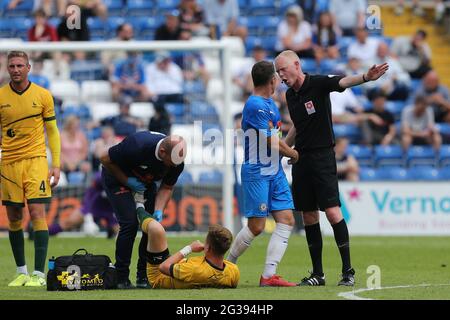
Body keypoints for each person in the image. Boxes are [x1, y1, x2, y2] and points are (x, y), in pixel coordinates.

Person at [274, 50, 388, 286]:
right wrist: (284, 147)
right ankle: (318, 274)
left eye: (283, 70)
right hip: (300, 159)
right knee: (308, 215)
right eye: (278, 72)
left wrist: (366, 77)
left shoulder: (318, 83)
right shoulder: (290, 96)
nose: (280, 76)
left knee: (334, 212)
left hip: (323, 156)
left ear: (296, 65)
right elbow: (298, 125)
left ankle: (348, 271)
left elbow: (343, 81)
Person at [227, 61, 299, 287]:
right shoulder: (255, 105)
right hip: (257, 171)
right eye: (277, 77)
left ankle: (268, 276)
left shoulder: (270, 104)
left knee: (286, 220)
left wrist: (290, 146)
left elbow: (276, 140)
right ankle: (227, 265)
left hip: (274, 170)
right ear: (272, 81)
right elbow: (270, 141)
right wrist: (294, 155)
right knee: (257, 226)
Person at [0, 51, 61, 287]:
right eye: (12, 66)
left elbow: (53, 132)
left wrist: (56, 163)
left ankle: (39, 274)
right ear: (7, 69)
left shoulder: (43, 96)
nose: (15, 69)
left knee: (37, 213)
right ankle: (21, 272)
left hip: (36, 160)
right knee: (14, 217)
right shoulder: (1, 96)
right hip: (9, 164)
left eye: (19, 65)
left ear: (29, 67)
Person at [100, 133, 187, 289]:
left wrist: (159, 210)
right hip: (117, 177)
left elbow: (167, 187)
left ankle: (143, 275)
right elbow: (104, 158)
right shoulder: (137, 145)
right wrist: (127, 181)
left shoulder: (177, 161)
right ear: (162, 152)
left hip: (145, 182)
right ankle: (121, 278)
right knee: (130, 223)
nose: (174, 167)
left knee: (151, 226)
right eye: (171, 163)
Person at [136, 203, 239, 288]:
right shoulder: (233, 271)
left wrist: (189, 248)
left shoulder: (194, 270)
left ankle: (138, 205)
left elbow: (163, 267)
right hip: (179, 265)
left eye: (205, 242)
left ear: (208, 248)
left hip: (159, 274)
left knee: (156, 229)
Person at [48, 172, 119, 238]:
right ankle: (45, 233)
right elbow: (90, 193)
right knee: (69, 222)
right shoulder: (101, 177)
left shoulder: (122, 178)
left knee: (121, 232)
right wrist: (88, 214)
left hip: (109, 210)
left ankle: (110, 231)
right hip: (93, 206)